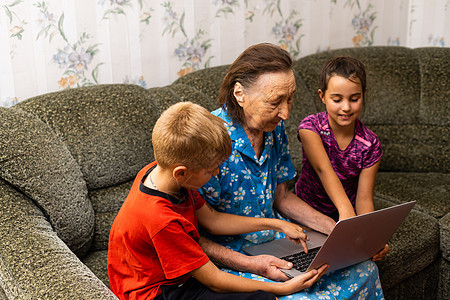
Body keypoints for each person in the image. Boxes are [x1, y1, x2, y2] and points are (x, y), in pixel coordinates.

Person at [200, 43, 385, 299]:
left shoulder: (273, 128)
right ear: (240, 94)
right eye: (275, 101)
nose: (286, 113)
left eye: (290, 99)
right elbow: (192, 236)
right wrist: (252, 264)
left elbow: (282, 197)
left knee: (364, 269)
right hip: (235, 255)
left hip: (279, 241)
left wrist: (339, 233)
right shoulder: (206, 140)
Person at [107, 101, 329, 300]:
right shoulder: (161, 219)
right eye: (211, 170)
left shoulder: (163, 175)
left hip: (174, 270)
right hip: (156, 291)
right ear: (181, 172)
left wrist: (277, 223)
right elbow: (215, 280)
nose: (215, 174)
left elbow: (213, 220)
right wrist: (282, 289)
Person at [294, 56, 390, 259]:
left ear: (363, 95)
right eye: (337, 99)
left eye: (354, 99)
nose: (346, 107)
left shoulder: (370, 144)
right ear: (322, 96)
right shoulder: (311, 128)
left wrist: (370, 237)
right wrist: (348, 218)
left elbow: (364, 199)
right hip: (306, 213)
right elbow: (324, 170)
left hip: (345, 216)